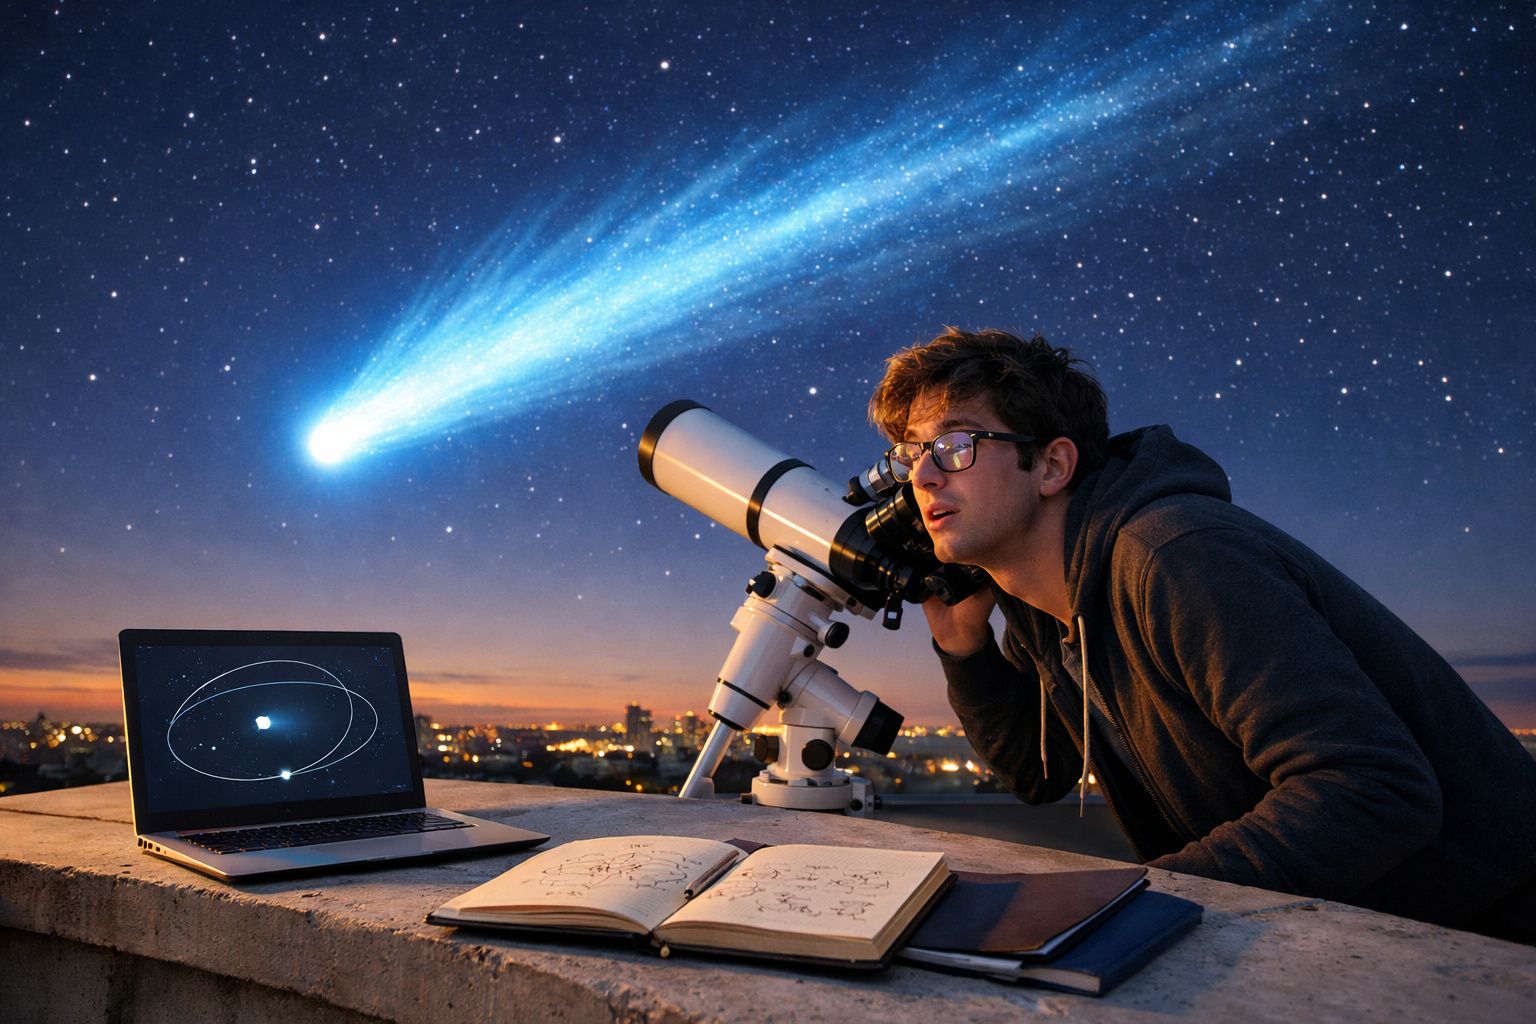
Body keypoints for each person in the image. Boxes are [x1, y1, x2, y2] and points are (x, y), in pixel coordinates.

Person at [868, 326, 1536, 942]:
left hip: (1490, 939)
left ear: (1051, 466)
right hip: (1364, 932)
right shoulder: (1047, 611)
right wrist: (965, 646)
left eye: (957, 445)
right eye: (913, 454)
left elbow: (1374, 788)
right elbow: (1039, 773)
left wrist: (1135, 900)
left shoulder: (1174, 557)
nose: (923, 475)